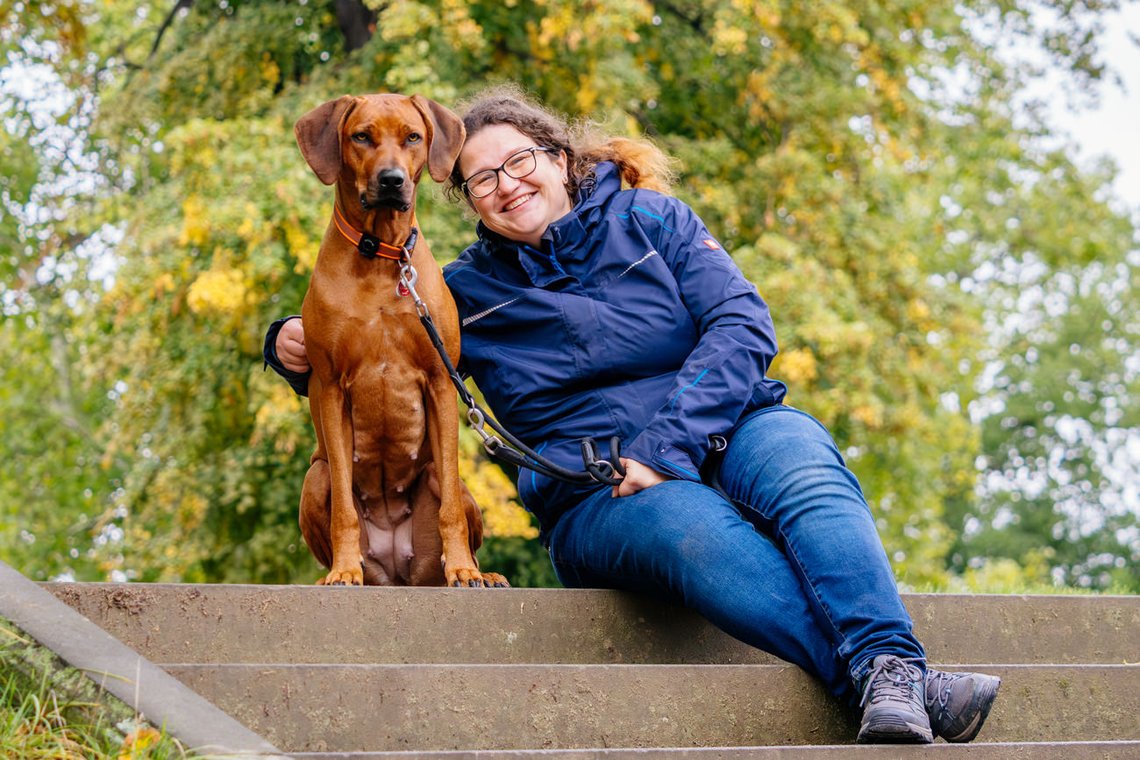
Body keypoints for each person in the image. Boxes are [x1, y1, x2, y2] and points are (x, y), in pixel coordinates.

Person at [264, 86, 999, 744]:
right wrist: (285, 345)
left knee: (806, 470)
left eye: (519, 162)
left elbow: (742, 323)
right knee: (691, 529)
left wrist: (666, 445)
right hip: (595, 493)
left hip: (731, 425)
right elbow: (380, 370)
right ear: (465, 195)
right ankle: (897, 686)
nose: (506, 185)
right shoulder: (456, 291)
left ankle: (890, 670)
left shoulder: (653, 219)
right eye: (482, 179)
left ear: (556, 156)